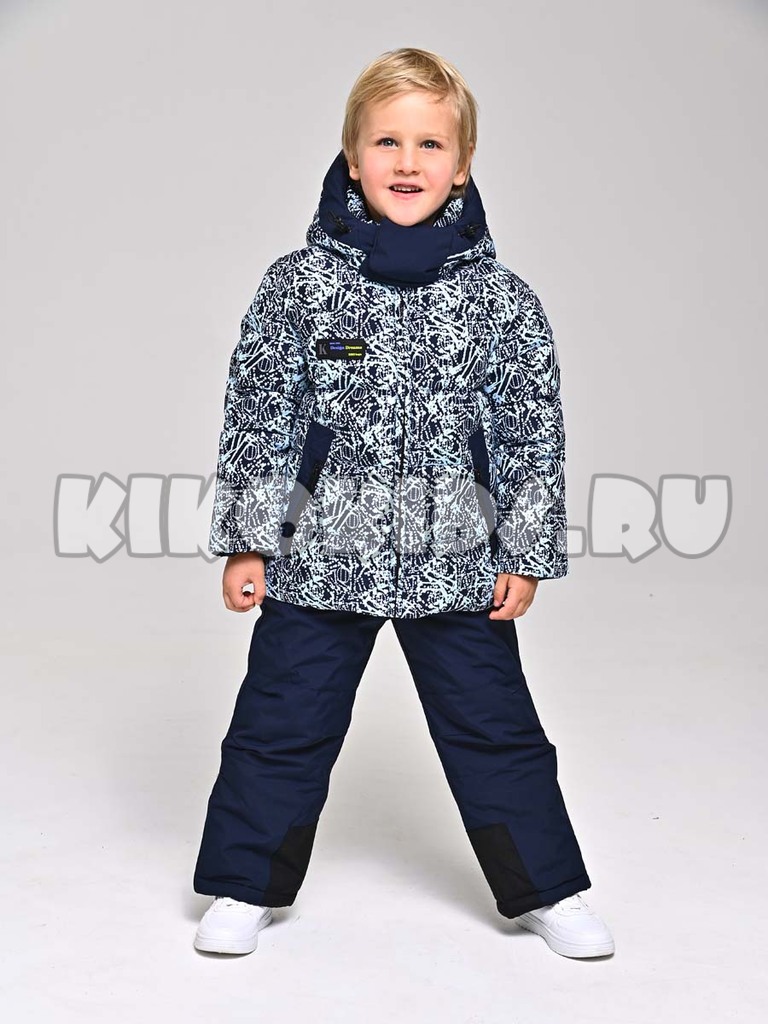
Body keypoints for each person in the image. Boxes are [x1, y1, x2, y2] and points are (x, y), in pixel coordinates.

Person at [192, 46, 615, 960]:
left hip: (455, 559)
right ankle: (244, 883)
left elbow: (529, 430)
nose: (408, 162)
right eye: (387, 142)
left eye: (430, 144)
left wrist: (523, 552)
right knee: (280, 725)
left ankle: (549, 888)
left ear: (461, 164)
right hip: (318, 558)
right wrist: (249, 539)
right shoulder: (298, 288)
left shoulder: (501, 302)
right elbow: (260, 414)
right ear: (353, 157)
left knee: (496, 731)